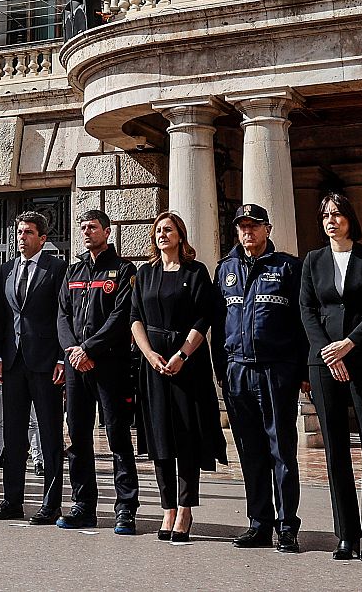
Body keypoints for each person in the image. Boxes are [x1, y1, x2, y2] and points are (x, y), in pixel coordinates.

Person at [300, 192, 362, 562]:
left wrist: (349, 344)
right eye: (325, 215)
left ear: (350, 219)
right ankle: (346, 534)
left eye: (338, 214)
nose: (331, 220)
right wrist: (328, 350)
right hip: (323, 361)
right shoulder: (313, 260)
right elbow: (307, 309)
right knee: (335, 449)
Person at [131, 211, 226, 544]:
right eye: (158, 230)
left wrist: (182, 355)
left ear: (180, 236)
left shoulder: (195, 272)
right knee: (160, 438)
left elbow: (204, 318)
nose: (162, 235)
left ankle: (185, 509)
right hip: (153, 365)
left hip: (186, 364)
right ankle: (167, 507)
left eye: (168, 230)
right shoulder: (145, 274)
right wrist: (149, 354)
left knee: (186, 436)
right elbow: (135, 318)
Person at [218, 204, 308, 554]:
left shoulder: (287, 267)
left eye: (254, 226)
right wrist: (222, 370)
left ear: (267, 229)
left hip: (275, 370)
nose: (247, 232)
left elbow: (302, 322)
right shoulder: (225, 269)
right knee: (250, 453)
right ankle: (259, 523)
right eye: (242, 227)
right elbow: (217, 324)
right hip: (237, 371)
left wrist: (300, 371)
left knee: (281, 451)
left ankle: (287, 526)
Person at [56, 208, 140, 533]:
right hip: (76, 367)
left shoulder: (123, 270)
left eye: (92, 227)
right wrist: (73, 351)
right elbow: (62, 315)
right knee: (77, 437)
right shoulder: (73, 270)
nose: (86, 232)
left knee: (118, 436)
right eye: (82, 227)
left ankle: (125, 508)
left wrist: (89, 349)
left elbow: (121, 317)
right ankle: (83, 505)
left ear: (107, 231)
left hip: (109, 365)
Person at [0, 211, 68, 525]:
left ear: (42, 238)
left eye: (29, 232)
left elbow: (64, 315)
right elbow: (0, 318)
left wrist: (62, 358)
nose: (22, 237)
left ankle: (51, 504)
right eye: (19, 232)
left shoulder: (57, 268)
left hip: (46, 363)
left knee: (49, 436)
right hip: (13, 363)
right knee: (14, 435)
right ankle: (12, 501)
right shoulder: (4, 269)